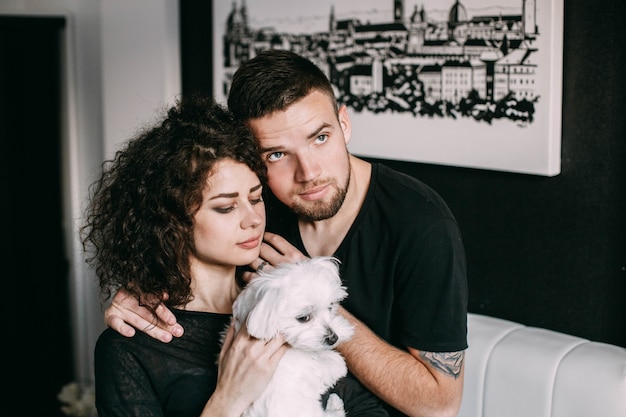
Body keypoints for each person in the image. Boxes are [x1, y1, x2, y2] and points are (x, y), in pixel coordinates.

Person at [104, 51, 468, 417]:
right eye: (277, 154)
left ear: (344, 124)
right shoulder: (261, 204)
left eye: (320, 137)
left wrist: (314, 304)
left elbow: (439, 405)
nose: (308, 172)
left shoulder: (420, 223)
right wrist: (141, 286)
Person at [82, 96, 388, 417]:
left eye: (255, 199)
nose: (253, 219)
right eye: (226, 207)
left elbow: (364, 408)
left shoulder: (288, 305)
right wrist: (227, 399)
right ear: (172, 221)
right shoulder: (132, 348)